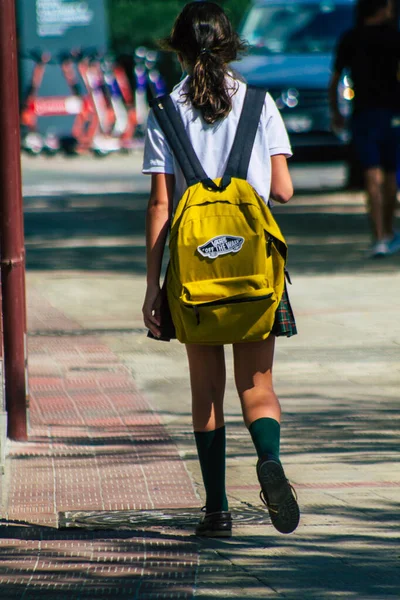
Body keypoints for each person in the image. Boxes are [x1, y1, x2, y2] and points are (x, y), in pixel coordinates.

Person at [142, 1, 299, 537]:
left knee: (205, 391)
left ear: (179, 49)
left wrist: (151, 288)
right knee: (257, 384)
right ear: (231, 45)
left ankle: (216, 511)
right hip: (257, 275)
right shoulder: (260, 103)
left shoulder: (164, 110)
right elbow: (282, 190)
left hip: (193, 278)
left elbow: (161, 207)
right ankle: (270, 462)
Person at [329, 0, 400, 258]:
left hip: (363, 114)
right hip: (392, 113)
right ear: (381, 8)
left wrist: (336, 112)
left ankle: (379, 236)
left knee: (372, 174)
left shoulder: (350, 38)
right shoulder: (394, 37)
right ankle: (390, 232)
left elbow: (335, 78)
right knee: (391, 173)